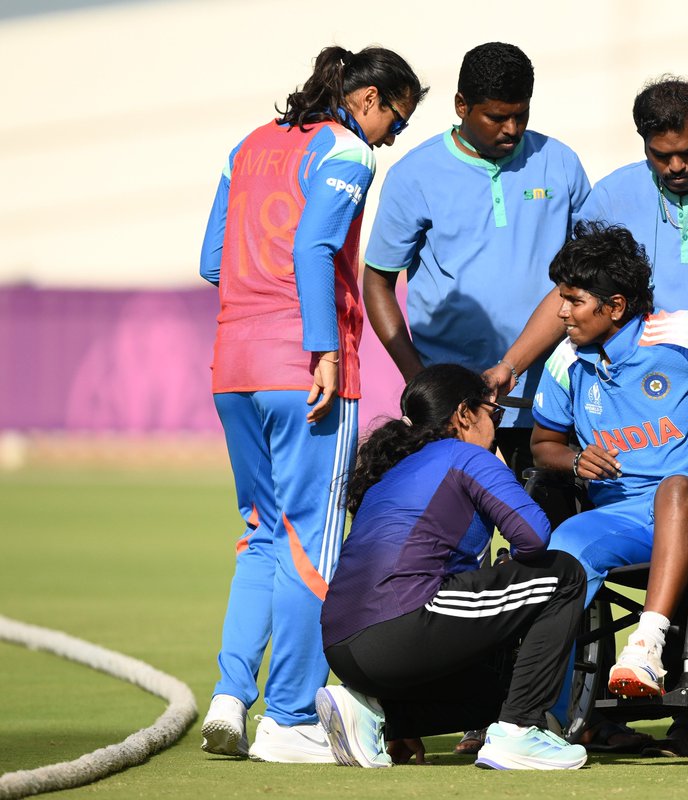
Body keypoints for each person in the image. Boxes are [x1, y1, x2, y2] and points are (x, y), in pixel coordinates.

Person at [197, 45, 427, 763]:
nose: (392, 137)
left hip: (233, 363)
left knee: (261, 535)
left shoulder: (248, 146)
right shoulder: (347, 152)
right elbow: (313, 246)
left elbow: (212, 261)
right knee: (308, 544)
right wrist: (323, 350)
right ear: (369, 98)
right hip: (305, 370)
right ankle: (290, 717)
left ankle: (230, 697)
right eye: (396, 119)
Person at [489, 75, 688, 468]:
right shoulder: (610, 197)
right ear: (642, 141)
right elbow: (572, 292)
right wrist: (510, 366)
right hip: (648, 408)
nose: (676, 166)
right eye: (660, 155)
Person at [530, 221, 688, 700]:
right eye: (562, 298)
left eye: (574, 301)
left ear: (616, 306)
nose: (561, 312)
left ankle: (646, 645)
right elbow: (544, 442)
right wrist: (576, 460)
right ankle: (543, 710)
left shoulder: (685, 331)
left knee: (675, 487)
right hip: (621, 515)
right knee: (565, 545)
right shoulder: (565, 360)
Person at [315, 364, 588, 771]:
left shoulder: (394, 468)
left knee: (497, 691)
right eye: (494, 413)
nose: (495, 426)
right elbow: (533, 536)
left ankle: (377, 714)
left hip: (341, 646)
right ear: (464, 413)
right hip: (398, 627)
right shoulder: (467, 455)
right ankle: (520, 733)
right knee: (564, 574)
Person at [365, 42, 590, 476]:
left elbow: (588, 277)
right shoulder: (414, 175)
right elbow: (377, 283)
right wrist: (419, 379)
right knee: (454, 521)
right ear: (461, 105)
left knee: (546, 520)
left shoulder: (560, 162)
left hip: (549, 400)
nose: (512, 129)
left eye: (521, 114)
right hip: (455, 409)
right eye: (497, 117)